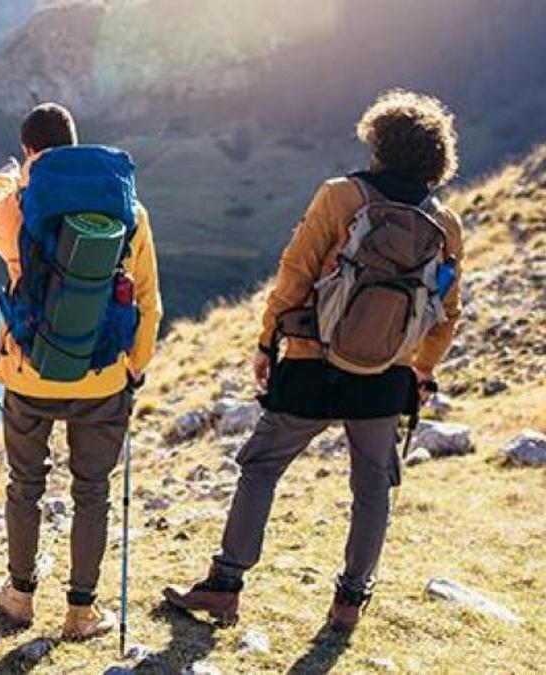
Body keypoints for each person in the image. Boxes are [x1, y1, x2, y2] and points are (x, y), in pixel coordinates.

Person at [163, 90, 465, 632]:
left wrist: (266, 340)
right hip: (385, 376)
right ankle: (350, 602)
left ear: (379, 144)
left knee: (262, 467)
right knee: (372, 487)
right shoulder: (445, 223)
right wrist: (421, 368)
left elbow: (295, 272)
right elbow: (447, 310)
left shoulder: (341, 195)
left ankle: (224, 586)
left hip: (312, 361)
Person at [0, 103, 163, 639]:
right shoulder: (131, 212)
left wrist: (15, 171)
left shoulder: (18, 205)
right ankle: (81, 612)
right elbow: (149, 302)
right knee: (92, 491)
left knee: (25, 485)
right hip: (104, 376)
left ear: (32, 151)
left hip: (28, 374)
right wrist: (134, 366)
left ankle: (19, 596)